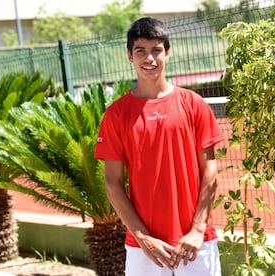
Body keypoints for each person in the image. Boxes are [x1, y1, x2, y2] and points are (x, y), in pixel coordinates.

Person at [94, 17, 223, 276]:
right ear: (129, 55)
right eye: (140, 50)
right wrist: (144, 239)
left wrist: (197, 231)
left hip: (196, 243)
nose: (149, 58)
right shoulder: (116, 115)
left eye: (156, 50)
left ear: (168, 53)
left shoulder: (193, 104)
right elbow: (112, 183)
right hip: (144, 248)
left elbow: (210, 172)